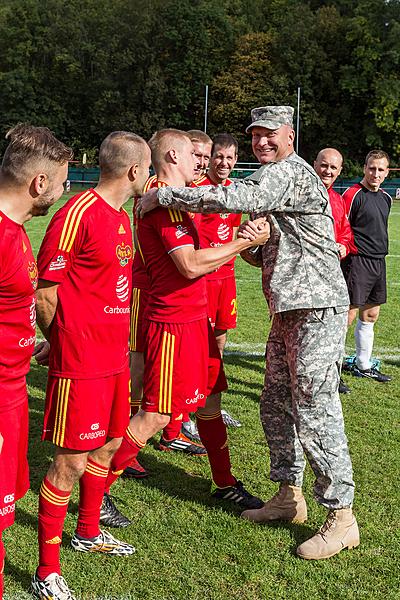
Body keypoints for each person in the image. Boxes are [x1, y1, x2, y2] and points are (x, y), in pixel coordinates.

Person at [137, 106, 360, 560]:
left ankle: (342, 516)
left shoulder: (287, 173)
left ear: (290, 134)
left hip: (317, 308)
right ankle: (288, 495)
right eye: (255, 135)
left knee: (316, 408)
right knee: (275, 403)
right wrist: (251, 244)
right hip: (290, 309)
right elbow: (267, 250)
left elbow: (233, 197)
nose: (261, 142)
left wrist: (167, 197)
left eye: (269, 134)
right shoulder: (274, 177)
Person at [101, 128, 269, 523]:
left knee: (211, 399)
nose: (202, 160)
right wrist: (244, 242)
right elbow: (189, 264)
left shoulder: (177, 197)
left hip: (196, 319)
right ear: (173, 157)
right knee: (156, 414)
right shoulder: (162, 203)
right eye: (194, 154)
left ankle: (224, 481)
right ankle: (99, 489)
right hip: (174, 321)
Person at [31, 131, 151, 600]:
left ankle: (87, 532)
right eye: (148, 170)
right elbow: (45, 291)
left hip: (113, 359)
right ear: (135, 171)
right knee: (69, 462)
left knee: (111, 442)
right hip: (80, 362)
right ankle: (46, 571)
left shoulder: (121, 217)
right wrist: (61, 343)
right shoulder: (76, 212)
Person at [0, 124, 72, 600]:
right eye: (63, 180)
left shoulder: (18, 232)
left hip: (13, 388)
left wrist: (28, 342)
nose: (66, 189)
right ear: (39, 183)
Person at [342, 150, 392, 382]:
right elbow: (342, 227)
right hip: (357, 261)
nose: (375, 173)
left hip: (378, 261)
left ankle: (363, 364)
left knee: (370, 314)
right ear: (364, 168)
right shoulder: (353, 194)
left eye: (381, 169)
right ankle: (331, 370)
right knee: (347, 315)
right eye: (372, 168)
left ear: (387, 172)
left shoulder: (385, 197)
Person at [313, 148, 354, 394]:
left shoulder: (337, 200)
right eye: (324, 165)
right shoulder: (300, 192)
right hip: (301, 280)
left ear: (339, 172)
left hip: (330, 279)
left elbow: (346, 233)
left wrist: (343, 246)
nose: (327, 171)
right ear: (314, 164)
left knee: (332, 330)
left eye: (333, 168)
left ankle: (332, 377)